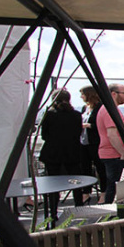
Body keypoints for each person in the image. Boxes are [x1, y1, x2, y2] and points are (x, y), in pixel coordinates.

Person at [39, 89, 84, 223]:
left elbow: (44, 135)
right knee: (76, 184)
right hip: (72, 152)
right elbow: (78, 133)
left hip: (53, 153)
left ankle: (52, 212)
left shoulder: (49, 114)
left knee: (52, 185)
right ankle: (79, 209)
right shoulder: (76, 115)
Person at [97, 83, 124, 204]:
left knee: (114, 185)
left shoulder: (109, 109)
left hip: (112, 154)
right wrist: (123, 153)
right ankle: (112, 212)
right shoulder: (108, 110)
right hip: (114, 154)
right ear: (114, 94)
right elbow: (112, 134)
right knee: (115, 185)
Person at [79, 85, 105, 204]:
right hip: (84, 142)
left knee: (100, 168)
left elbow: (101, 125)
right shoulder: (85, 108)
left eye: (83, 94)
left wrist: (90, 126)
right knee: (85, 168)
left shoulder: (100, 107)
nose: (81, 97)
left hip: (95, 142)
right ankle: (86, 192)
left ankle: (104, 192)